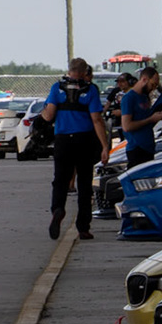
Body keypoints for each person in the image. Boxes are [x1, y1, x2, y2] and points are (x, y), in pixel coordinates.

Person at [35, 57, 111, 239]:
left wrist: (41, 116)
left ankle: (57, 209)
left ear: (69, 70)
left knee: (60, 180)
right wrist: (104, 146)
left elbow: (49, 115)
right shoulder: (90, 90)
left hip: (63, 141)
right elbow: (97, 120)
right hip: (84, 140)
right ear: (84, 73)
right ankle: (83, 227)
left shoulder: (57, 88)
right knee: (84, 183)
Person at [118, 66, 162, 168]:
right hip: (137, 149)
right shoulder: (129, 98)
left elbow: (146, 121)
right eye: (152, 84)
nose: (153, 88)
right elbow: (127, 126)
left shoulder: (144, 97)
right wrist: (150, 119)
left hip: (148, 148)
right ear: (144, 79)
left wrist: (158, 117)